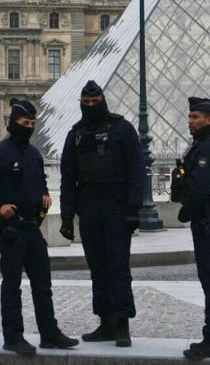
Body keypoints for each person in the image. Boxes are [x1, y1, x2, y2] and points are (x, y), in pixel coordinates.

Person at [0, 100, 78, 356]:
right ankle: (13, 336)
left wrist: (45, 196)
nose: (28, 127)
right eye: (24, 123)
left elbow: (40, 180)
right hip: (12, 230)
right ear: (13, 123)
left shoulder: (34, 153)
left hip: (32, 228)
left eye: (32, 124)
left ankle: (49, 334)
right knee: (12, 285)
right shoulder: (0, 152)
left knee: (43, 284)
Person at [59, 80, 145, 347]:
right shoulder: (75, 134)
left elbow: (136, 170)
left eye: (95, 103)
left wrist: (133, 209)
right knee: (97, 267)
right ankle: (105, 321)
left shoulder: (123, 129)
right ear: (81, 104)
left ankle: (122, 324)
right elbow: (68, 178)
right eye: (86, 104)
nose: (91, 107)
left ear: (104, 101)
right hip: (89, 208)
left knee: (118, 266)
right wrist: (66, 217)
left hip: (117, 207)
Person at [175, 97, 210, 360]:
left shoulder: (209, 148)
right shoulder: (207, 144)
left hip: (208, 217)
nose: (190, 121)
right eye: (190, 116)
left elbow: (200, 186)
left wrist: (185, 212)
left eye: (195, 117)